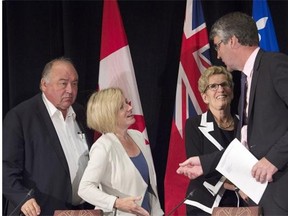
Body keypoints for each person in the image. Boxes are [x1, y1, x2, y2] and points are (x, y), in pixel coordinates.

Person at [178, 11, 288, 215]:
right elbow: (243, 146)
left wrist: (274, 159)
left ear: (233, 41)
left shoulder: (274, 65)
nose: (217, 54)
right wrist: (205, 163)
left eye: (218, 45)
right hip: (267, 195)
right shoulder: (247, 81)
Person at [3, 57, 94, 216]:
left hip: (81, 211)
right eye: (63, 83)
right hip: (40, 210)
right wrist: (23, 199)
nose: (70, 90)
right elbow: (4, 168)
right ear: (44, 85)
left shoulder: (82, 114)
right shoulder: (21, 117)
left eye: (74, 83)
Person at [78, 87, 164, 216]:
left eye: (126, 103)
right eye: (121, 107)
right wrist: (117, 203)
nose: (129, 107)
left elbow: (148, 186)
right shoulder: (103, 146)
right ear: (108, 114)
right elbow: (84, 188)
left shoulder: (137, 136)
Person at [183, 66, 247, 215]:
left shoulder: (243, 125)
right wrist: (237, 186)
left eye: (225, 84)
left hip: (241, 205)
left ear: (231, 92)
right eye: (213, 86)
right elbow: (197, 168)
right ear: (205, 97)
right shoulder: (194, 124)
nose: (220, 89)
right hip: (204, 205)